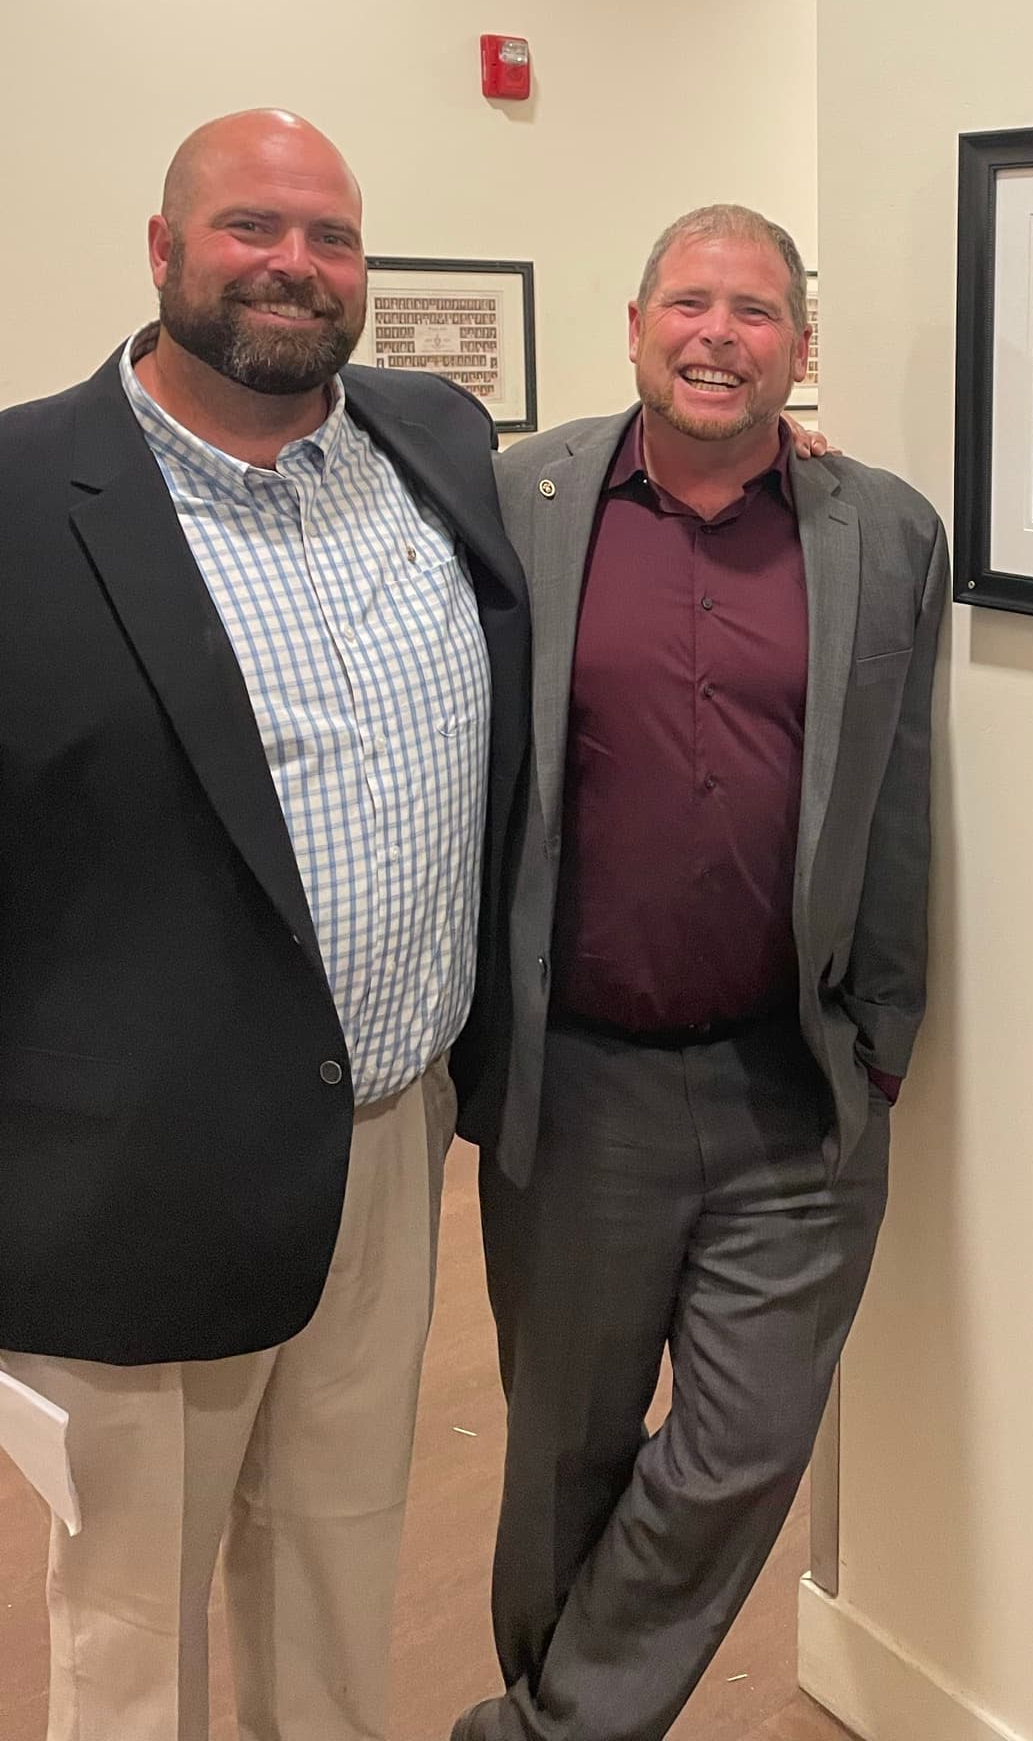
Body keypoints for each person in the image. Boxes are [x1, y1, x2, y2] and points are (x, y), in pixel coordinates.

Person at [0, 109, 530, 1741]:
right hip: (130, 1177)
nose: (296, 265)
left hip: (387, 1142)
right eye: (251, 228)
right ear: (162, 252)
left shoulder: (435, 440)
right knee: (134, 1635)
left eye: (333, 237)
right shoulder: (23, 495)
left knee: (335, 1573)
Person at [456, 204, 946, 1741]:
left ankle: (549, 1729)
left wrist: (879, 1042)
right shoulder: (520, 496)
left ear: (801, 347)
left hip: (788, 1088)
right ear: (635, 323)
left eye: (754, 310)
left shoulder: (887, 532)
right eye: (691, 302)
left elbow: (899, 795)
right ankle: (560, 1709)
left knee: (743, 1444)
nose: (718, 333)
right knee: (565, 1453)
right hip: (578, 1082)